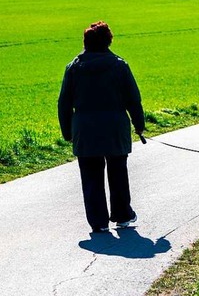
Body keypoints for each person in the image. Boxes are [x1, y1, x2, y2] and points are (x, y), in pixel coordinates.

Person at [58, 21, 145, 233]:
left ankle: (98, 222)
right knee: (118, 173)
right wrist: (139, 125)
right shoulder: (119, 65)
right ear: (108, 41)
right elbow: (133, 99)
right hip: (115, 128)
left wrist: (68, 132)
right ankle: (123, 215)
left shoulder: (74, 67)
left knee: (90, 176)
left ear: (85, 42)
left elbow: (64, 102)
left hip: (85, 130)